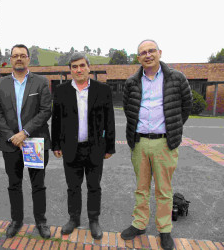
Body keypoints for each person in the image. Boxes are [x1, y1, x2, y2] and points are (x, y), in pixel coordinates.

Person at [121, 39, 192, 250]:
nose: (148, 55)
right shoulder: (132, 82)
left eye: (151, 50)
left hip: (164, 143)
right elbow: (128, 109)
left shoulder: (176, 78)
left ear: (159, 52)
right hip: (139, 142)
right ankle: (139, 223)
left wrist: (172, 127)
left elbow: (185, 107)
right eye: (143, 52)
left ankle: (164, 230)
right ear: (138, 57)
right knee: (141, 188)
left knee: (164, 189)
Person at [51, 52, 115, 240]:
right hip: (71, 148)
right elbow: (56, 120)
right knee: (73, 187)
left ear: (88, 67)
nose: (78, 70)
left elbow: (109, 119)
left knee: (94, 186)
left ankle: (94, 220)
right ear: (70, 70)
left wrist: (110, 146)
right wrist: (56, 144)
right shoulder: (61, 91)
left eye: (81, 66)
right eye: (74, 67)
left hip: (95, 147)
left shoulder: (102, 90)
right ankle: (74, 219)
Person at [0, 44, 52, 239]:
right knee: (14, 184)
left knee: (38, 184)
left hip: (34, 141)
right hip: (10, 144)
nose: (19, 58)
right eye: (15, 55)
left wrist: (24, 133)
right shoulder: (1, 84)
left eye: (22, 55)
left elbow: (45, 110)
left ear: (28, 59)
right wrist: (12, 135)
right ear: (10, 59)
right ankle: (16, 220)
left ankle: (41, 222)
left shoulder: (41, 81)